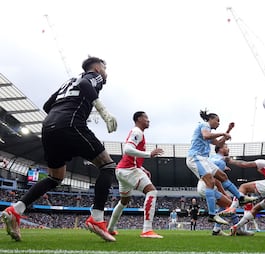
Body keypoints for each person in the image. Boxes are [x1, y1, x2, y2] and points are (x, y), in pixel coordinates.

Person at [1, 56, 118, 242]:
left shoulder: (67, 83)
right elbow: (85, 84)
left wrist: (63, 113)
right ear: (97, 68)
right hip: (70, 124)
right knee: (107, 166)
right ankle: (97, 219)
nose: (106, 72)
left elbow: (47, 105)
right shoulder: (94, 77)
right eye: (105, 68)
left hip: (48, 127)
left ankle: (15, 210)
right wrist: (104, 112)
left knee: (55, 177)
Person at [186, 110, 254, 225]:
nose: (218, 123)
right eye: (217, 121)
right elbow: (206, 136)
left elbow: (218, 144)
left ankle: (240, 197)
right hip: (195, 158)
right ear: (211, 119)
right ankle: (212, 215)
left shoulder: (209, 131)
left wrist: (227, 131)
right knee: (211, 181)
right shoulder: (204, 125)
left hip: (204, 159)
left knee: (222, 175)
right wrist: (223, 133)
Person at [107, 111, 164, 238]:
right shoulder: (137, 132)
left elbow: (129, 155)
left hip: (122, 170)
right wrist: (149, 154)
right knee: (152, 192)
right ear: (139, 119)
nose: (148, 120)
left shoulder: (138, 133)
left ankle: (110, 228)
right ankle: (147, 230)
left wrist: (141, 168)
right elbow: (127, 149)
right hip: (128, 170)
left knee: (124, 201)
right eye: (146, 118)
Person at [226, 158, 265, 236]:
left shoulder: (264, 162)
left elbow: (244, 164)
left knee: (243, 187)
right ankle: (236, 227)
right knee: (256, 209)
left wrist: (231, 161)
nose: (257, 170)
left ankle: (232, 208)